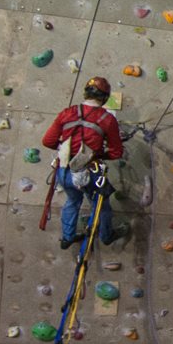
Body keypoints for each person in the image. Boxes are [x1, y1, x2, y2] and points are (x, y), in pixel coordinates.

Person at [42, 76, 128, 249]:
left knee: (72, 201)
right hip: (89, 172)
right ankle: (106, 235)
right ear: (104, 97)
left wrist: (65, 147)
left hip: (65, 170)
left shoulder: (67, 113)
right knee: (101, 205)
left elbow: (48, 141)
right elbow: (116, 152)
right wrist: (99, 155)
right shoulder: (107, 119)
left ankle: (67, 237)